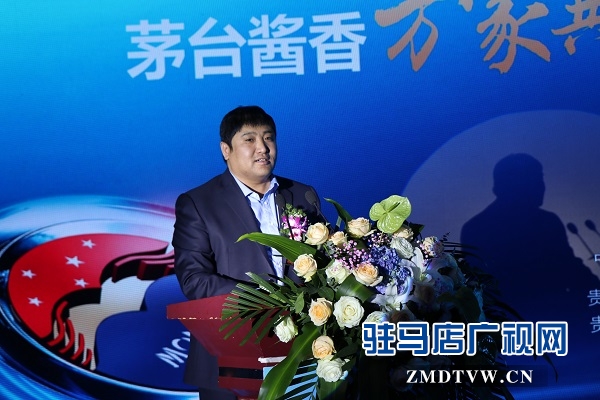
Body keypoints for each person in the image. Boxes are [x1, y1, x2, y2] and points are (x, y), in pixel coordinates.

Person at [172, 105, 323, 399]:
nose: (263, 148)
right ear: (226, 150)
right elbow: (194, 279)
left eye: (269, 138)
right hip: (231, 356)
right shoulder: (199, 203)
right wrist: (266, 301)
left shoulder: (301, 195)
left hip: (301, 354)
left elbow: (324, 262)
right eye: (250, 139)